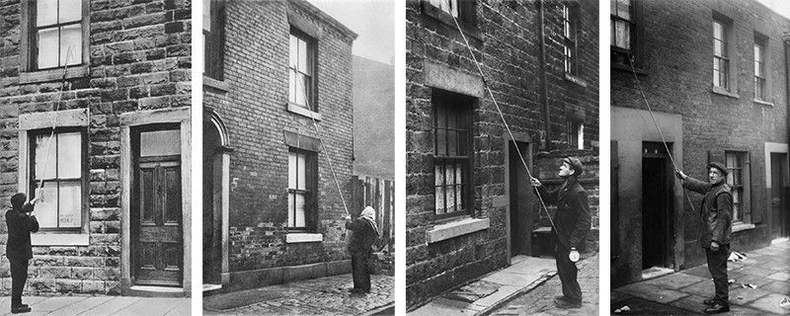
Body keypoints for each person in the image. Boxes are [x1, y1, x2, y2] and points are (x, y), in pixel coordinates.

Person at [530, 157, 590, 309]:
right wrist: (540, 187)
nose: (560, 167)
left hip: (569, 240)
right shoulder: (565, 186)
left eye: (564, 165)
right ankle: (569, 296)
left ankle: (575, 299)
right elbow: (550, 198)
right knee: (563, 267)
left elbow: (585, 220)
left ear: (571, 171)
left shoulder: (578, 192)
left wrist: (574, 241)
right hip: (560, 236)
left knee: (568, 269)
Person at [675, 162, 733, 314]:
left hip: (717, 240)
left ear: (722, 176)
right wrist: (684, 178)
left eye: (715, 173)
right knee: (715, 270)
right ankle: (719, 297)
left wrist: (716, 240)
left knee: (719, 271)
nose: (711, 175)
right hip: (712, 238)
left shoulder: (723, 193)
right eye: (711, 172)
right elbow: (700, 186)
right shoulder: (714, 188)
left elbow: (723, 218)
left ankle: (722, 303)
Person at [5, 192, 39, 314]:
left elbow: (21, 210)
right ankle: (15, 306)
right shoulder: (23, 218)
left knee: (16, 278)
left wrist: (32, 202)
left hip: (12, 252)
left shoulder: (9, 214)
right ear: (20, 205)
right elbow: (35, 228)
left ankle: (17, 303)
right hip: (21, 253)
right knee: (20, 279)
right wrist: (33, 215)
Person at [344, 206, 379, 294]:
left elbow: (350, 226)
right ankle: (366, 287)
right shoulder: (372, 224)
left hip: (358, 250)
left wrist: (347, 219)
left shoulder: (362, 221)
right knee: (364, 269)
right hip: (366, 251)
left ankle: (359, 288)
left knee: (357, 269)